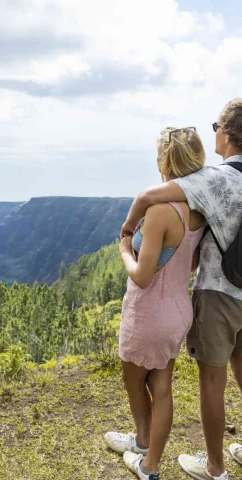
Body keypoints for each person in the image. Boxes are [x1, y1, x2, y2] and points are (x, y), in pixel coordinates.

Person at [121, 98, 242, 480]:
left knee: (212, 381)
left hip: (219, 292)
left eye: (215, 127)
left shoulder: (214, 179)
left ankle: (215, 468)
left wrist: (127, 234)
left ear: (225, 132)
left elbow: (146, 198)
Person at [105, 126, 205, 480]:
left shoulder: (162, 211)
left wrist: (123, 249)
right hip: (178, 308)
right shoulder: (197, 211)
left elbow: (142, 275)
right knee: (161, 388)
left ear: (165, 160)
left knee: (134, 383)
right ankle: (150, 460)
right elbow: (190, 262)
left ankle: (145, 447)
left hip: (148, 311)